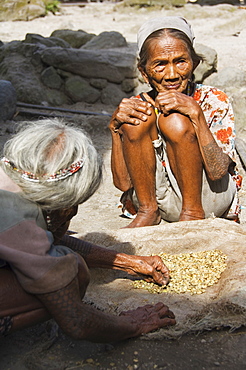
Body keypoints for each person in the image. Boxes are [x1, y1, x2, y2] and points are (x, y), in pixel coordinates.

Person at [0, 118, 175, 341]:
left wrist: (128, 262)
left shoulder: (11, 174)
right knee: (74, 272)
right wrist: (132, 324)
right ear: (65, 206)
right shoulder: (20, 219)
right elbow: (76, 321)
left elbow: (42, 241)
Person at [109, 16, 242, 228]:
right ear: (144, 72)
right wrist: (116, 130)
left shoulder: (213, 99)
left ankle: (192, 212)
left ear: (195, 64)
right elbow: (123, 183)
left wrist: (196, 115)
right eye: (160, 65)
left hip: (209, 197)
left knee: (175, 120)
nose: (172, 75)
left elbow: (218, 172)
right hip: (158, 200)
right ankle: (147, 210)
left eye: (180, 61)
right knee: (136, 120)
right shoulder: (137, 106)